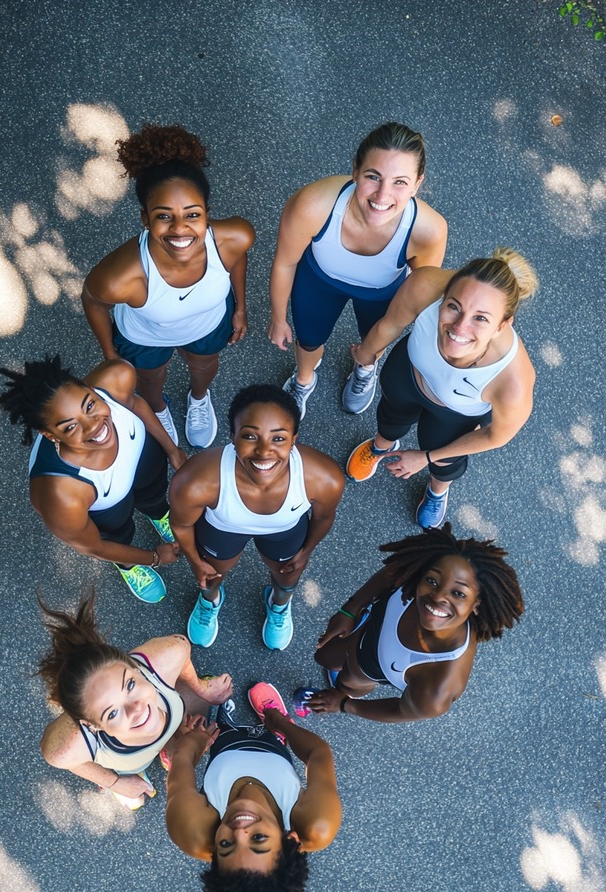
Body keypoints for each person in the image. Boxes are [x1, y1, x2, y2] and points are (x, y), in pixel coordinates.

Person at [82, 123, 255, 449]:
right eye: (164, 216)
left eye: (192, 215)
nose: (180, 229)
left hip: (208, 323)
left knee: (204, 367)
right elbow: (92, 299)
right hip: (144, 336)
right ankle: (157, 409)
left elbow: (237, 260)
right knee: (150, 378)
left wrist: (241, 309)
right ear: (145, 219)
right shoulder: (122, 277)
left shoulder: (235, 237)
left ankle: (199, 399)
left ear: (207, 214)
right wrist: (109, 354)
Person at [346, 247, 539, 528]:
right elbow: (390, 324)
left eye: (481, 318)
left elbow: (496, 436)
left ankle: (437, 491)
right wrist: (366, 355)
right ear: (444, 294)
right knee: (389, 416)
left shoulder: (513, 381)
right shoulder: (425, 285)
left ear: (502, 325)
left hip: (456, 413)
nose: (460, 327)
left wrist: (425, 458)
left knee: (445, 461)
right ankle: (379, 448)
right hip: (407, 375)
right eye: (453, 307)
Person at [268, 121, 447, 419]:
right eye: (373, 176)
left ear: (418, 183)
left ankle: (365, 369)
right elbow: (285, 262)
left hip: (382, 293)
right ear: (355, 170)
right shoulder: (312, 205)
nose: (382, 195)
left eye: (400, 182)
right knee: (309, 338)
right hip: (319, 281)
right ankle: (303, 379)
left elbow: (417, 298)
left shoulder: (429, 231)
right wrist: (277, 316)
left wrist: (371, 350)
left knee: (373, 340)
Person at [169, 385, 345, 650]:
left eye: (278, 439)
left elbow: (323, 518)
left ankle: (279, 605)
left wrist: (307, 550)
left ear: (294, 438)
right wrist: (194, 561)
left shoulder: (325, 478)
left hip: (284, 531)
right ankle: (209, 601)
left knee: (288, 577)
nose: (264, 452)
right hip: (223, 527)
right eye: (250, 436)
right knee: (211, 574)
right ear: (233, 436)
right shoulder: (196, 481)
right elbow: (181, 524)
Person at [0, 355, 184, 602]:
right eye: (70, 427)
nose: (94, 426)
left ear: (92, 389)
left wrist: (172, 450)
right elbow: (95, 546)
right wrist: (154, 557)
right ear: (50, 435)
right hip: (103, 502)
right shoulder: (63, 497)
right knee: (118, 535)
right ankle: (127, 566)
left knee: (154, 492)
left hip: (141, 455)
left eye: (89, 405)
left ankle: (158, 514)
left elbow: (135, 404)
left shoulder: (118, 375)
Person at [165, 683, 342, 892]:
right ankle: (271, 722)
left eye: (226, 844)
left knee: (203, 724)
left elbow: (182, 761)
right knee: (272, 734)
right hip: (274, 751)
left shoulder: (190, 831)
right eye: (258, 839)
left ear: (214, 851)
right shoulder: (317, 824)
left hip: (221, 748)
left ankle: (221, 723)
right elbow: (317, 753)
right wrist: (282, 724)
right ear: (289, 839)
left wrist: (194, 742)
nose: (238, 830)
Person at [304, 525, 524, 723]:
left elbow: (400, 711)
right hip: (369, 628)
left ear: (477, 604)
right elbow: (392, 573)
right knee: (322, 656)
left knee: (348, 681)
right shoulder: (413, 577)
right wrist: (350, 610)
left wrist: (343, 704)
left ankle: (344, 686)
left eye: (458, 593)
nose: (438, 598)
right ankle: (360, 628)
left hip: (371, 666)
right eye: (432, 581)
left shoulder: (438, 688)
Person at [38, 589, 233, 810]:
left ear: (135, 667)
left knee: (198, 704)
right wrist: (117, 782)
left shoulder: (167, 654)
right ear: (91, 725)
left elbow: (182, 649)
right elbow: (54, 755)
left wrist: (203, 689)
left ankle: (170, 744)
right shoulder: (73, 743)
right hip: (126, 764)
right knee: (134, 792)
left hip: (168, 727)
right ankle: (143, 766)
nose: (137, 708)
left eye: (129, 685)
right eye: (112, 712)